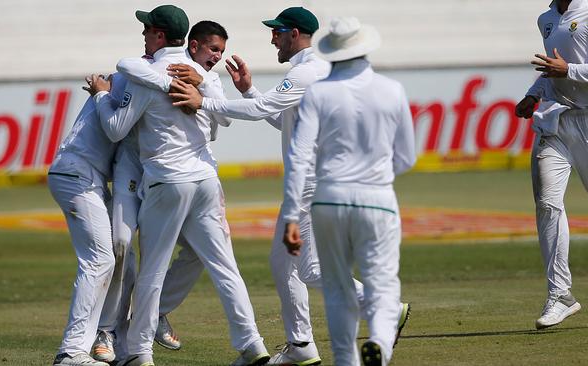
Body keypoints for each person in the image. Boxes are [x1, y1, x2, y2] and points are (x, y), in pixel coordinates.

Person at [169, 7, 410, 365]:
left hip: (312, 185)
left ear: (294, 34)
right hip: (318, 183)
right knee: (292, 266)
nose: (272, 38)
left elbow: (264, 108)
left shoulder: (306, 72)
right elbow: (284, 122)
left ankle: (370, 309)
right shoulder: (312, 72)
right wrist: (249, 91)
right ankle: (303, 345)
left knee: (301, 266)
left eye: (277, 32)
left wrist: (205, 99)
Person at [88, 5, 269, 366]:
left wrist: (100, 96)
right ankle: (252, 345)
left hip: (168, 180)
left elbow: (115, 128)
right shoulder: (202, 75)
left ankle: (138, 351)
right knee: (225, 267)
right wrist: (198, 83)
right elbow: (221, 121)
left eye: (147, 30)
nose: (143, 35)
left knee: (153, 270)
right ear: (188, 41)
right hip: (206, 179)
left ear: (159, 35)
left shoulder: (148, 73)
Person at [280, 17, 415, 366]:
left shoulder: (318, 93)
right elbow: (407, 158)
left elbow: (299, 155)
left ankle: (346, 359)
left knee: (338, 290)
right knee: (382, 285)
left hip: (327, 199)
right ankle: (380, 346)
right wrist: (375, 177)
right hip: (377, 199)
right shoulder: (392, 90)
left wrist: (292, 215)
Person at [514, 0, 588, 330]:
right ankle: (560, 294)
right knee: (548, 203)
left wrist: (570, 71)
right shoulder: (546, 19)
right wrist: (534, 94)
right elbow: (553, 72)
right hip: (558, 121)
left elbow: (566, 69)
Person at [48, 72, 132, 366]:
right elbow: (116, 131)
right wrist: (100, 95)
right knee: (99, 259)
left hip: (86, 175)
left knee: (121, 254)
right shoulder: (132, 79)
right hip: (77, 174)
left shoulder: (127, 79)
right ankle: (71, 351)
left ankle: (108, 340)